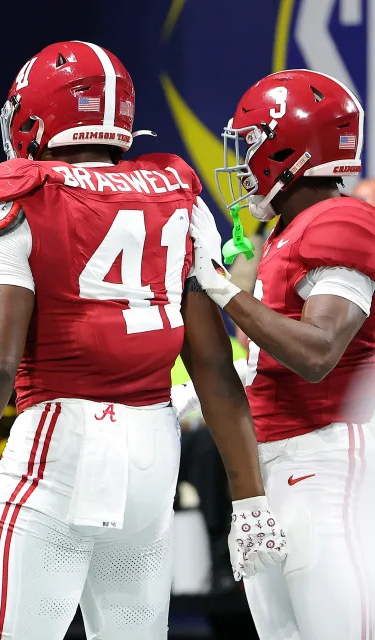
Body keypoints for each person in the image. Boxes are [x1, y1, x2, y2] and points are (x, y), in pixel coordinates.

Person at [0, 41, 284, 639]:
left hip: (59, 444)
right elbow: (211, 363)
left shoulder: (19, 192)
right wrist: (249, 497)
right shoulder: (178, 193)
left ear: (35, 115)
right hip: (153, 450)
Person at [191, 68, 375, 640]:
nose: (243, 162)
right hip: (282, 462)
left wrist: (221, 287)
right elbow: (279, 355)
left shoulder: (340, 220)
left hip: (325, 460)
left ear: (287, 148)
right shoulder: (293, 231)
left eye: (250, 144)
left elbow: (318, 352)